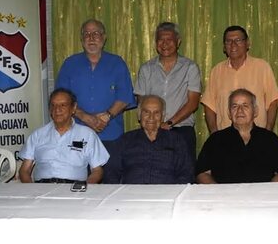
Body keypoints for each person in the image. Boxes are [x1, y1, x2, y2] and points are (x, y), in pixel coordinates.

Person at [55, 19, 135, 157]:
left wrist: (106, 116)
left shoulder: (117, 63)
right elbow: (60, 100)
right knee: (79, 176)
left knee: (111, 176)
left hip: (111, 136)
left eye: (96, 33)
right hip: (77, 135)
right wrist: (85, 117)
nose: (91, 38)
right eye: (86, 34)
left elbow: (125, 96)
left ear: (104, 38)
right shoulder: (69, 64)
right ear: (81, 39)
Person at [134, 22, 201, 160]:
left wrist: (169, 123)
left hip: (181, 130)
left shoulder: (190, 67)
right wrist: (153, 124)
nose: (164, 44)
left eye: (169, 40)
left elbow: (193, 103)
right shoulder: (146, 69)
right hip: (151, 130)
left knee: (184, 175)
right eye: (160, 40)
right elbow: (141, 102)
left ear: (178, 42)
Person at [196, 88, 278, 183]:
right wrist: (221, 194)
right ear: (229, 113)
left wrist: (264, 195)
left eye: (245, 106)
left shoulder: (270, 139)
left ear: (255, 111)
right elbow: (202, 174)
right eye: (234, 106)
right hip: (225, 197)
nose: (240, 110)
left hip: (262, 197)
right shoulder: (215, 140)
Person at [201, 25, 278, 133]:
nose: (233, 45)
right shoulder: (217, 71)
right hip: (225, 138)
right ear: (224, 47)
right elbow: (209, 105)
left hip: (256, 136)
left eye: (238, 40)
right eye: (228, 41)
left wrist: (267, 133)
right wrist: (214, 135)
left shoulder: (262, 67)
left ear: (247, 43)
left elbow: (273, 101)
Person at [19, 88, 109, 183]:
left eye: (63, 105)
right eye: (53, 105)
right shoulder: (37, 135)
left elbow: (97, 171)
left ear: (73, 108)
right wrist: (32, 192)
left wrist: (84, 188)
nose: (57, 109)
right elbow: (25, 170)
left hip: (73, 188)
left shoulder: (88, 135)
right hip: (42, 188)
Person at [104, 95, 193, 184]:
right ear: (139, 115)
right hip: (132, 195)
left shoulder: (176, 141)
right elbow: (111, 173)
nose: (151, 117)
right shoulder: (125, 141)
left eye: (156, 113)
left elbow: (186, 174)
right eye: (146, 112)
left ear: (163, 116)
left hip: (166, 195)